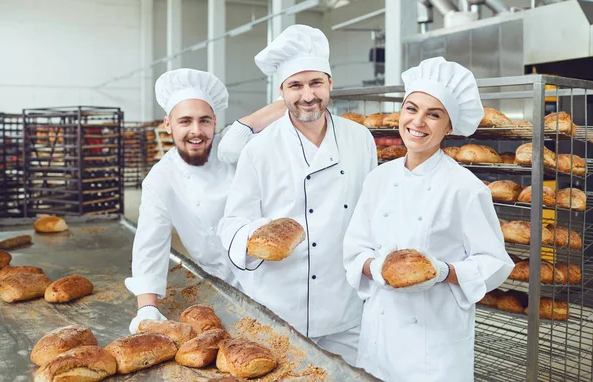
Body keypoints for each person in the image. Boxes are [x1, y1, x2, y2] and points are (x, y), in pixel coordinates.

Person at [343, 56, 515, 381]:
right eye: (412, 109)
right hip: (378, 337)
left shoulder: (464, 187)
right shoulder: (377, 178)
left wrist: (443, 271)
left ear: (449, 127)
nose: (418, 122)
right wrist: (376, 267)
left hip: (434, 346)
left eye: (433, 114)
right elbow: (354, 250)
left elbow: (494, 263)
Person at [217, 24, 377, 365]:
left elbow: (372, 213)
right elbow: (232, 221)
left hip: (345, 308)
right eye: (296, 86)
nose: (307, 96)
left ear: (330, 84)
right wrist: (258, 237)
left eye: (316, 83)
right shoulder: (259, 149)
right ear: (282, 92)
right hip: (277, 306)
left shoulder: (360, 139)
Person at [125, 68, 284, 334]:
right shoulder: (161, 179)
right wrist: (146, 308)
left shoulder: (239, 149)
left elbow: (293, 105)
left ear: (215, 122)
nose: (196, 131)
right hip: (219, 286)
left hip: (272, 274)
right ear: (168, 125)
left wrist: (246, 124)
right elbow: (149, 244)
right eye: (185, 121)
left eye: (204, 121)